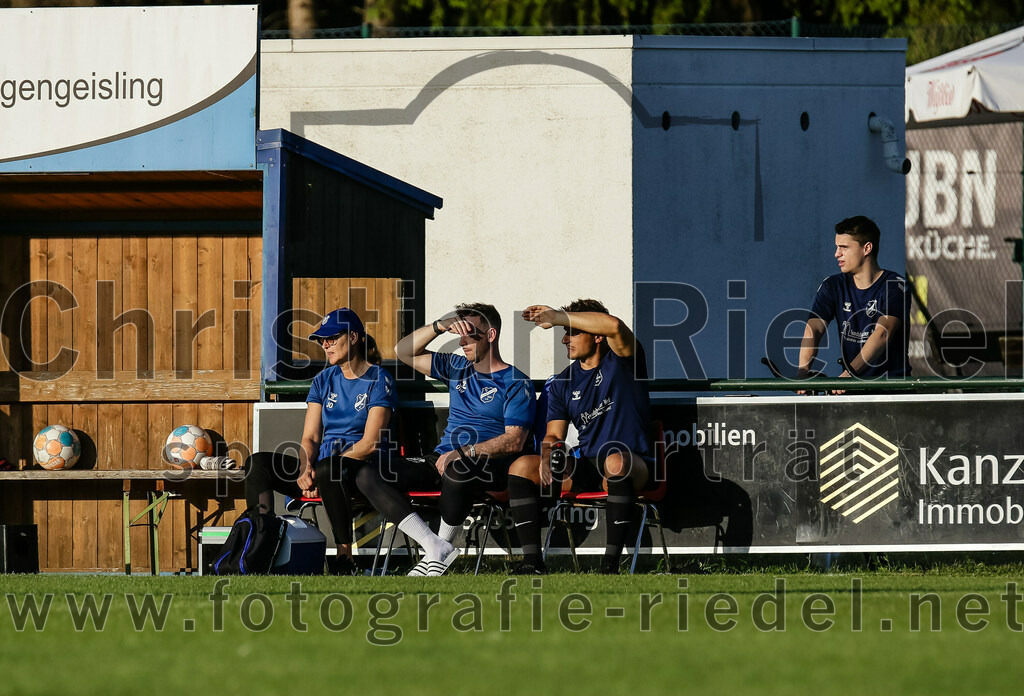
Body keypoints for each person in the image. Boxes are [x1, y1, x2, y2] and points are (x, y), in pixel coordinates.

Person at [243, 308, 405, 575]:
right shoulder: (323, 379)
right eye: (321, 340)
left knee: (331, 469)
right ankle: (259, 548)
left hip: (359, 470)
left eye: (331, 338)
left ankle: (345, 560)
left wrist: (321, 470)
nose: (325, 345)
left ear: (353, 337)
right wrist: (305, 468)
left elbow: (370, 443)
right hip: (322, 467)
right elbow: (311, 437)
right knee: (257, 463)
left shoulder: (378, 379)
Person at [377, 302, 536, 576]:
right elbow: (403, 352)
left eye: (470, 333)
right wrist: (440, 326)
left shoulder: (515, 381)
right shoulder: (456, 366)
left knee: (458, 468)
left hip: (485, 465)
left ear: (491, 335)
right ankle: (434, 546)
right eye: (459, 334)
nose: (462, 341)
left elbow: (514, 441)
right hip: (441, 459)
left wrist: (465, 452)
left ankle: (441, 550)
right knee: (373, 472)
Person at [508, 299, 654, 575]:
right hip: (588, 463)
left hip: (634, 464)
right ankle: (533, 562)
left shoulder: (623, 360)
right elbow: (553, 433)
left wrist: (559, 316)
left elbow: (613, 325)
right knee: (522, 467)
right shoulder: (563, 381)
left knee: (616, 462)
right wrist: (550, 451)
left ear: (596, 336)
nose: (564, 339)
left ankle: (610, 566)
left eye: (572, 332)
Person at [797, 215, 911, 389]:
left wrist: (850, 374)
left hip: (892, 389)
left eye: (844, 247)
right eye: (837, 247)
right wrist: (802, 373)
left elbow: (882, 334)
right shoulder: (832, 286)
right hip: (852, 390)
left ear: (867, 248)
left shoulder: (895, 286)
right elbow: (813, 328)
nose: (837, 254)